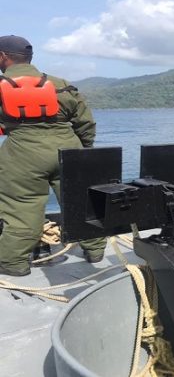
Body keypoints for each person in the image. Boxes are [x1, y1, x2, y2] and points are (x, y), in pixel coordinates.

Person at [0, 35, 106, 276]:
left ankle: (13, 264)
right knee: (81, 202)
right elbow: (85, 123)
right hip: (69, 150)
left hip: (22, 154)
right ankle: (96, 250)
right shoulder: (61, 84)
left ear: (4, 57)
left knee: (22, 208)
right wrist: (83, 153)